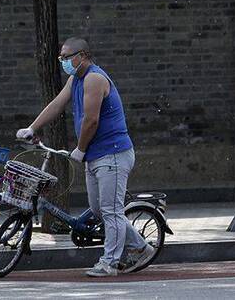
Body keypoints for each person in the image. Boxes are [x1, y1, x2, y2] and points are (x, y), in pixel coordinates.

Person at [16, 37, 155, 277]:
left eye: (67, 57)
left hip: (113, 154)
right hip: (97, 156)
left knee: (110, 211)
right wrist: (32, 127)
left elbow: (92, 120)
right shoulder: (76, 79)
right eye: (61, 58)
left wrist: (79, 149)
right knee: (99, 210)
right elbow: (57, 104)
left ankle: (109, 262)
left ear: (83, 55)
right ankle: (141, 248)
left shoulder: (94, 78)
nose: (63, 62)